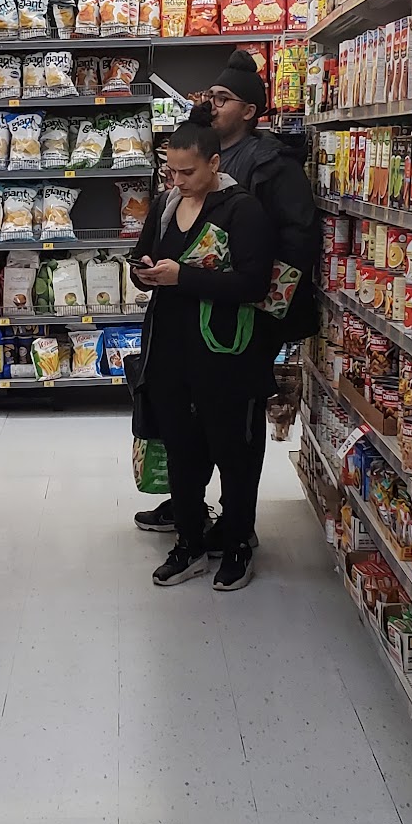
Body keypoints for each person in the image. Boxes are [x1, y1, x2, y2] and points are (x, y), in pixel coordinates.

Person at [133, 50, 320, 538]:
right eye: (211, 96)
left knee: (236, 425)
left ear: (250, 111)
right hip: (187, 315)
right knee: (186, 421)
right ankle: (187, 504)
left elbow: (298, 240)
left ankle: (238, 524)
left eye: (223, 98)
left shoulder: (271, 164)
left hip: (244, 315)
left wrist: (267, 308)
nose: (212, 104)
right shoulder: (191, 162)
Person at [130, 121, 275, 590]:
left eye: (187, 172)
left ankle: (235, 543)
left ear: (214, 163)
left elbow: (254, 284)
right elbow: (142, 256)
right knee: (181, 451)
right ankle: (189, 542)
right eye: (170, 171)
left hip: (225, 354)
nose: (177, 181)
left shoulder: (242, 210)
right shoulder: (166, 205)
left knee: (233, 452)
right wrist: (143, 273)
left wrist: (183, 278)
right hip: (169, 351)